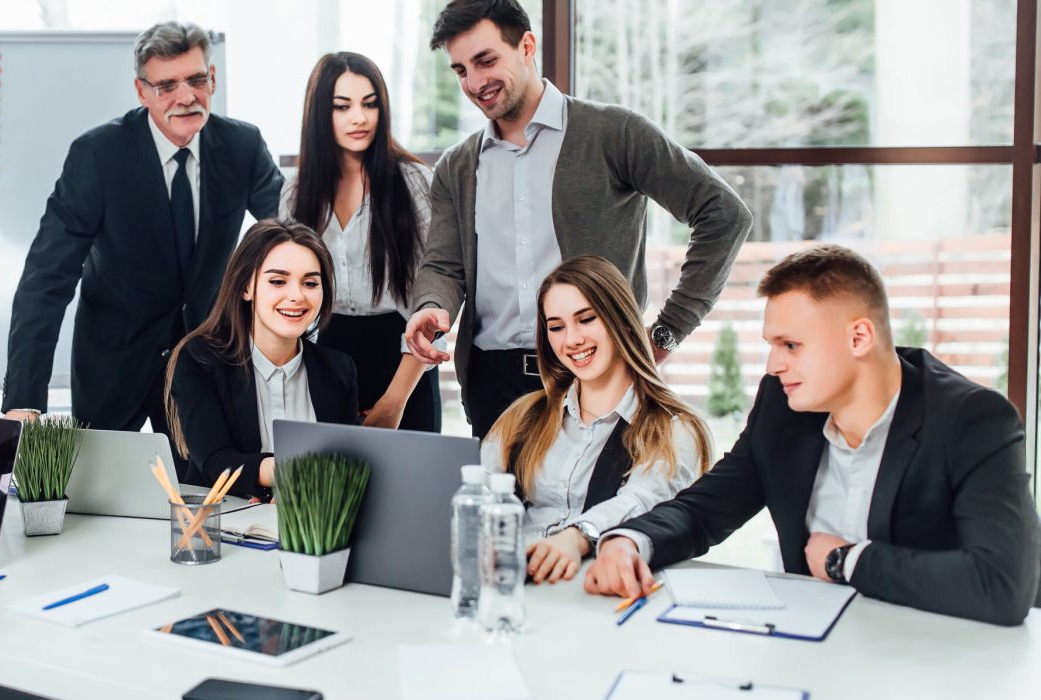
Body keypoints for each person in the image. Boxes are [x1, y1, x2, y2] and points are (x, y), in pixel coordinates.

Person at [585, 245, 1041, 626]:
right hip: (814, 648)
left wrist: (848, 561)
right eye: (771, 346)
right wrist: (630, 541)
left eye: (791, 345)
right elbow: (704, 509)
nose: (772, 366)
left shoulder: (973, 420)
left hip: (939, 660)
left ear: (859, 337)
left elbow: (1001, 584)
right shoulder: (781, 408)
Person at [404, 0, 753, 439]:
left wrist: (666, 332)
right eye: (460, 71)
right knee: (500, 509)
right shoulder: (457, 167)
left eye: (486, 60)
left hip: (596, 373)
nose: (474, 83)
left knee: (606, 508)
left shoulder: (615, 133)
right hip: (494, 387)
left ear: (527, 45)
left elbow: (723, 214)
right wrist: (432, 306)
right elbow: (443, 266)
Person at [3, 21, 284, 457]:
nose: (186, 96)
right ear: (141, 91)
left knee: (208, 498)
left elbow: (287, 239)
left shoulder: (242, 146)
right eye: (167, 85)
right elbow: (47, 276)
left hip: (204, 357)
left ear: (213, 78)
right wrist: (24, 398)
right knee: (97, 498)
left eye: (196, 79)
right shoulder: (98, 156)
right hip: (114, 359)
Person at [483, 256, 711, 585]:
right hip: (516, 586)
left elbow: (641, 501)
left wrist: (574, 537)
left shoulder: (672, 428)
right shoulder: (523, 416)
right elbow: (480, 498)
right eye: (557, 327)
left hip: (600, 588)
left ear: (620, 318)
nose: (571, 339)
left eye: (586, 319)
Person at [280, 52, 440, 433]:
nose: (360, 118)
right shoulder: (296, 192)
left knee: (410, 487)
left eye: (370, 104)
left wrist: (394, 400)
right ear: (320, 113)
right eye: (343, 106)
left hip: (405, 359)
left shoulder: (414, 182)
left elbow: (432, 296)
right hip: (327, 357)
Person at [165, 220, 359, 501]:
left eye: (310, 283)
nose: (297, 296)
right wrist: (297, 471)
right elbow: (216, 463)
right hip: (225, 531)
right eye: (277, 281)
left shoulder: (339, 370)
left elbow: (348, 467)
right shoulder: (199, 360)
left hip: (313, 535)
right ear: (246, 287)